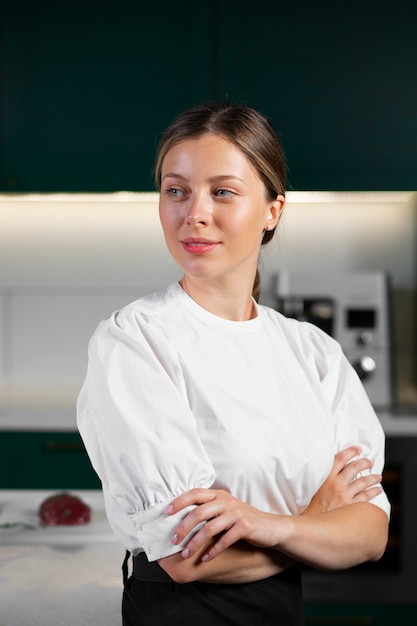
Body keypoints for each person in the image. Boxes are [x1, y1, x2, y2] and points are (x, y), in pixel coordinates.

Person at [77, 101, 390, 626]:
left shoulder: (312, 352)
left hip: (282, 611)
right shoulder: (135, 339)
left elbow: (370, 534)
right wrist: (314, 521)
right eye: (176, 190)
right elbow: (187, 557)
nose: (194, 212)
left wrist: (269, 526)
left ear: (273, 210)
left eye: (222, 191)